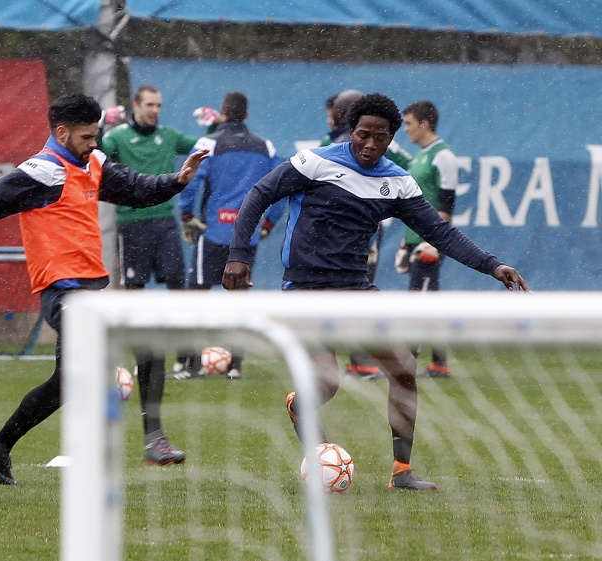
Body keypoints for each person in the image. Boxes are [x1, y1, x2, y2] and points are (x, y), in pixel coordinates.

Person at [222, 93, 530, 490]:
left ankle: (402, 472)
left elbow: (441, 233)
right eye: (363, 134)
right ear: (350, 130)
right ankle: (302, 408)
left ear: (390, 139)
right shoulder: (315, 162)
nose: (370, 144)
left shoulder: (397, 182)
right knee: (327, 382)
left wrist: (493, 265)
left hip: (357, 290)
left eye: (380, 138)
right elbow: (260, 195)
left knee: (403, 369)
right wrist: (239, 254)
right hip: (305, 289)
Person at [0, 93, 208, 484]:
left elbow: (135, 188)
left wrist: (177, 181)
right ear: (61, 133)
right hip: (63, 295)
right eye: (85, 136)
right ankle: (152, 439)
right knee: (145, 335)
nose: (94, 143)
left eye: (96, 135)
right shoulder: (42, 171)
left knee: (63, 384)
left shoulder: (92, 162)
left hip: (90, 293)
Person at [99, 85, 213, 382]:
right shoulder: (117, 137)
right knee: (135, 292)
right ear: (135, 105)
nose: (155, 111)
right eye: (150, 105)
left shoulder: (170, 136)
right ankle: (144, 356)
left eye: (159, 105)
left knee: (177, 286)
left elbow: (204, 146)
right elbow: (93, 157)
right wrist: (100, 126)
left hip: (164, 222)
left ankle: (186, 358)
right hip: (132, 224)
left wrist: (215, 126)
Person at [177, 91, 283, 380]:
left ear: (222, 113)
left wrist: (187, 215)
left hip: (213, 232)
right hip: (245, 237)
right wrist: (268, 224)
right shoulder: (266, 147)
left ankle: (191, 365)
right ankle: (235, 365)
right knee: (239, 299)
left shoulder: (208, 143)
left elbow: (189, 179)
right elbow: (284, 186)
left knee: (198, 294)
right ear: (246, 115)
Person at [389, 100, 459, 378]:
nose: (406, 129)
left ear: (424, 124)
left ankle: (406, 364)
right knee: (429, 303)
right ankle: (439, 363)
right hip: (417, 241)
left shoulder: (443, 156)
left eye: (408, 124)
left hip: (430, 242)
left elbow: (446, 205)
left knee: (418, 303)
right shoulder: (419, 157)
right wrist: (406, 243)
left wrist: (434, 242)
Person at [321, 89, 382, 379]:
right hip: (347, 239)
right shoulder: (329, 149)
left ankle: (361, 362)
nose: (328, 118)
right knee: (350, 297)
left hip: (354, 240)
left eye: (332, 113)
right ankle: (358, 361)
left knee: (351, 297)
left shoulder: (355, 150)